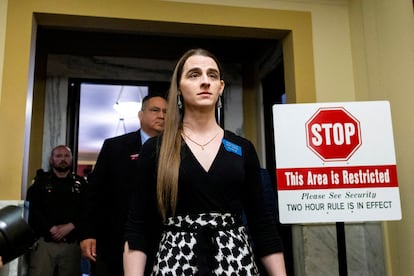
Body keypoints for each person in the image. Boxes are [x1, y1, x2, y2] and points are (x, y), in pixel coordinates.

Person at [123, 48, 287, 275]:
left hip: (235, 262)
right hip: (176, 263)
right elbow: (137, 228)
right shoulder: (156, 148)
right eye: (194, 75)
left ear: (220, 87)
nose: (205, 82)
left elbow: (263, 225)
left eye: (212, 75)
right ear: (179, 88)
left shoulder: (242, 148)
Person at [79, 95, 168, 276]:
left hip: (163, 239)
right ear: (140, 115)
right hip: (116, 238)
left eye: (166, 112)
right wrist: (88, 233)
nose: (161, 116)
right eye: (155, 110)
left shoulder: (177, 149)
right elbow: (94, 194)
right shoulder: (115, 147)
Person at [26, 145, 86, 276]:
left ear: (71, 158)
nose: (62, 159)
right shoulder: (40, 183)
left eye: (66, 156)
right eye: (58, 156)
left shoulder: (81, 184)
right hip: (45, 243)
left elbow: (87, 211)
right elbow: (34, 210)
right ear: (51, 159)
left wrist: (71, 226)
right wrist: (50, 228)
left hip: (72, 244)